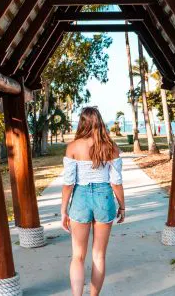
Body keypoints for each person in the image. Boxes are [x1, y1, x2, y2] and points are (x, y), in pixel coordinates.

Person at [60, 107, 125, 296]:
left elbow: (68, 184)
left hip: (80, 198)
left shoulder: (73, 147)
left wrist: (64, 210)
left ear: (82, 122)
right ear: (100, 121)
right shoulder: (111, 147)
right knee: (99, 255)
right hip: (104, 197)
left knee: (78, 256)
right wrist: (122, 206)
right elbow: (116, 182)